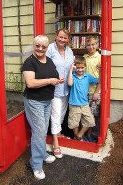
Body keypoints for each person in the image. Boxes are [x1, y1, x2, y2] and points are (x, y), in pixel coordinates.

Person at [22, 35, 64, 180]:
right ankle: (36, 165)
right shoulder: (29, 63)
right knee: (39, 132)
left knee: (42, 130)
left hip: (47, 100)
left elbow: (53, 76)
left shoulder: (49, 60)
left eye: (43, 46)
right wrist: (50, 80)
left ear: (47, 47)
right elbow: (30, 83)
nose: (40, 49)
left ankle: (43, 154)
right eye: (37, 46)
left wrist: (58, 80)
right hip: (34, 102)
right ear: (34, 46)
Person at [46, 28, 74, 158]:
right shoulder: (50, 49)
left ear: (68, 39)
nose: (62, 40)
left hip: (66, 89)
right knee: (55, 114)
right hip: (54, 88)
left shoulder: (69, 51)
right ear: (56, 36)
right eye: (60, 37)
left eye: (65, 38)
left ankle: (58, 132)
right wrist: (53, 79)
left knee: (62, 113)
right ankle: (55, 143)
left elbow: (71, 68)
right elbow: (44, 66)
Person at [67, 56, 99, 140]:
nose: (80, 70)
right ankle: (76, 136)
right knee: (74, 123)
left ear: (85, 67)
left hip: (84, 104)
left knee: (90, 121)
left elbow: (99, 81)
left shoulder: (87, 77)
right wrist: (71, 70)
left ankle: (79, 135)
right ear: (75, 67)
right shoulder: (72, 76)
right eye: (78, 68)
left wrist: (100, 71)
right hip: (74, 104)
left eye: (82, 68)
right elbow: (70, 84)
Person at [83, 36, 101, 142]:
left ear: (97, 45)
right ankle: (85, 134)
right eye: (88, 45)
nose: (91, 47)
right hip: (84, 91)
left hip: (94, 91)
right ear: (86, 46)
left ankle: (91, 135)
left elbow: (102, 77)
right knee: (85, 113)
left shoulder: (99, 57)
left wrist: (97, 92)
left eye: (93, 44)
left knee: (93, 114)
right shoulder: (84, 57)